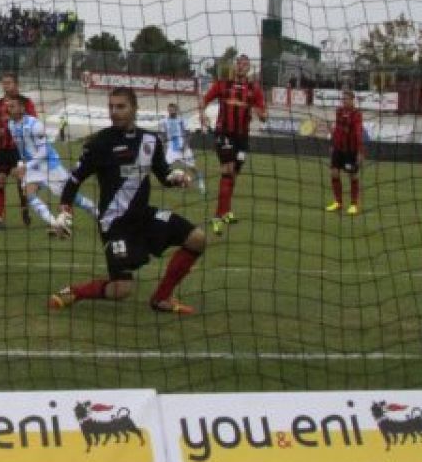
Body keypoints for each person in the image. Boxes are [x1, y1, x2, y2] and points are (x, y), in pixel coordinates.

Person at [50, 86, 206, 315]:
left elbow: (164, 175)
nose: (114, 111)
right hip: (115, 224)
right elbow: (74, 180)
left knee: (197, 239)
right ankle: (74, 292)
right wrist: (65, 211)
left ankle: (161, 298)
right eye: (111, 107)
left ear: (134, 108)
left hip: (144, 217)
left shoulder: (151, 140)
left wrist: (176, 177)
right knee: (121, 289)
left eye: (121, 106)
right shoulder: (99, 143)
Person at [4, 95, 98, 234]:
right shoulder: (11, 125)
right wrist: (21, 164)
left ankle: (97, 212)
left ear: (22, 108)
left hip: (50, 165)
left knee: (71, 197)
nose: (9, 109)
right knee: (28, 193)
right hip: (33, 167)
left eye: (12, 106)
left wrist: (25, 166)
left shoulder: (35, 125)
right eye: (8, 106)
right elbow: (22, 148)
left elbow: (44, 151)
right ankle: (55, 224)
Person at [199, 54, 267, 236]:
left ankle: (226, 211)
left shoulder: (254, 89)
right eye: (239, 63)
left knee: (233, 175)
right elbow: (204, 100)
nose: (241, 66)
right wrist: (202, 114)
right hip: (224, 134)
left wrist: (261, 114)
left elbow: (263, 114)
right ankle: (217, 216)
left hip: (242, 138)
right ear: (234, 66)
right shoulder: (222, 84)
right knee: (227, 171)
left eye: (245, 64)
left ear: (249, 68)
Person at [0, 73, 36, 230]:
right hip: (1, 149)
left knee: (20, 179)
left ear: (16, 84)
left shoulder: (26, 102)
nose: (5, 86)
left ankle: (24, 207)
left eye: (9, 83)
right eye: (4, 83)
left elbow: (34, 122)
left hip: (18, 149)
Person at [326, 90, 366, 215]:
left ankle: (353, 204)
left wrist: (360, 152)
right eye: (343, 99)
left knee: (352, 175)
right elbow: (338, 130)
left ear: (352, 100)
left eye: (346, 99)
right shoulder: (339, 111)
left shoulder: (357, 114)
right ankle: (338, 202)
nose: (344, 101)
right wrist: (333, 144)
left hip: (351, 150)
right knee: (334, 173)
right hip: (338, 148)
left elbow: (358, 133)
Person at [158, 101, 206, 197]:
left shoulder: (182, 120)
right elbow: (162, 135)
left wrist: (185, 144)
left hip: (183, 148)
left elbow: (188, 134)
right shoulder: (163, 122)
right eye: (170, 109)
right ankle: (172, 182)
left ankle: (201, 183)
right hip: (171, 148)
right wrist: (163, 144)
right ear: (168, 110)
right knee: (164, 167)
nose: (171, 111)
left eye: (173, 109)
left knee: (193, 167)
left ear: (176, 110)